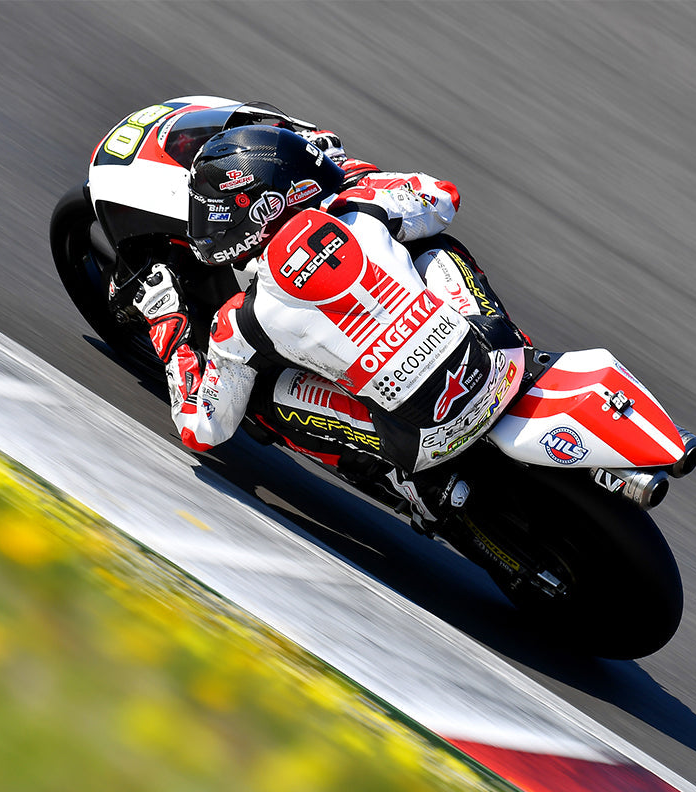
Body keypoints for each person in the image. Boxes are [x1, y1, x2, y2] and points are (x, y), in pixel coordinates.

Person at [133, 123, 530, 531]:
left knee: (260, 397)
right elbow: (444, 196)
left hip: (426, 441)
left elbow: (203, 431)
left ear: (262, 211)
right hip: (502, 364)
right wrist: (347, 170)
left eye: (215, 211)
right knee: (432, 245)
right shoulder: (361, 207)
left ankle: (409, 485)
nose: (207, 223)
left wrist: (169, 328)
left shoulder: (241, 320)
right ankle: (522, 350)